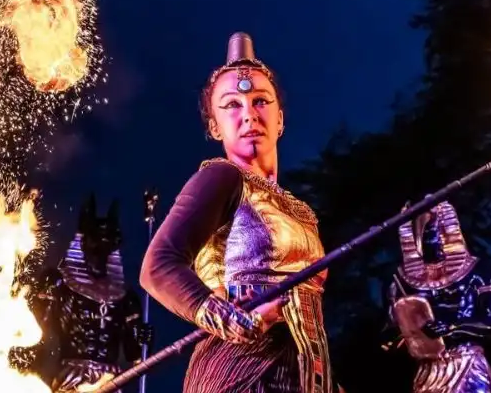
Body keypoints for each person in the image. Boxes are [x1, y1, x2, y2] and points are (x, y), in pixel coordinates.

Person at [140, 32, 333, 393]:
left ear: (280, 119)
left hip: (302, 376)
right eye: (231, 105)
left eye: (261, 101)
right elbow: (158, 267)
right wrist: (230, 318)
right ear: (214, 126)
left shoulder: (303, 213)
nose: (248, 114)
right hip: (239, 372)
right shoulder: (221, 177)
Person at [37, 194, 153, 391]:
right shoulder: (61, 285)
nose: (101, 251)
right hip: (72, 375)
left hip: (110, 379)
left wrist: (142, 339)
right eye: (97, 243)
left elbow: (135, 356)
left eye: (108, 244)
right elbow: (39, 330)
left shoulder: (126, 299)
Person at [387, 201, 491, 393]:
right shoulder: (400, 282)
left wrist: (451, 329)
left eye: (438, 230)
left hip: (466, 362)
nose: (433, 238)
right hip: (428, 370)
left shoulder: (478, 271)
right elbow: (390, 335)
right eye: (426, 232)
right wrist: (410, 335)